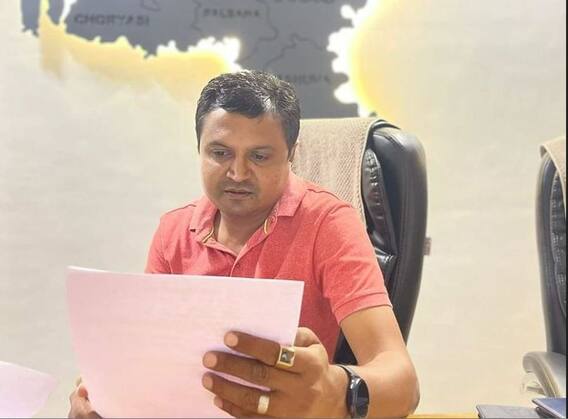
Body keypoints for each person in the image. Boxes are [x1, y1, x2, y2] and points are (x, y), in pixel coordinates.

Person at [69, 70, 419, 418]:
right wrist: (102, 393)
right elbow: (149, 357)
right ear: (199, 150)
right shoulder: (173, 231)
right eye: (220, 153)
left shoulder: (328, 223)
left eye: (259, 156)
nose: (237, 173)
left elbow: (403, 385)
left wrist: (334, 392)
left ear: (292, 154)